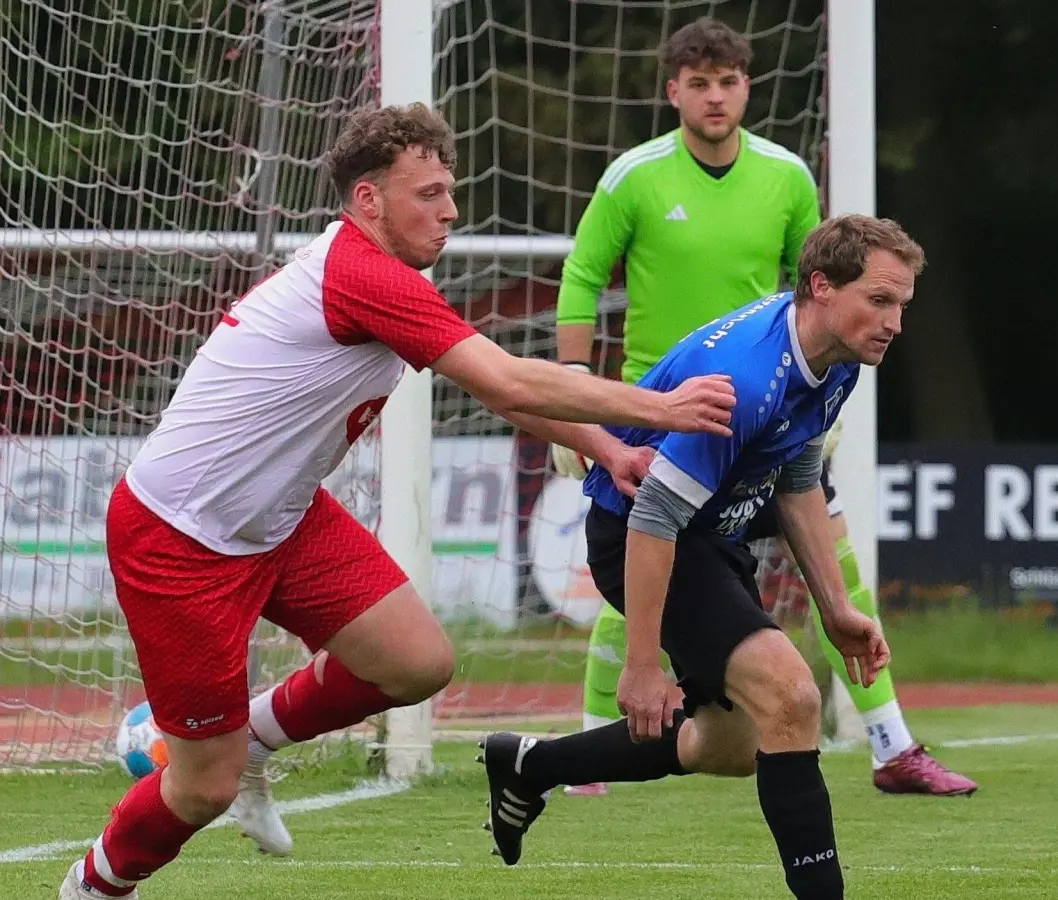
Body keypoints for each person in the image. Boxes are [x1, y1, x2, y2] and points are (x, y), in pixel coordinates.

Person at [59, 102, 740, 900]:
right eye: (430, 193)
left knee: (417, 662)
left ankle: (251, 741)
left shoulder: (388, 275)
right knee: (200, 789)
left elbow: (497, 393)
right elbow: (509, 378)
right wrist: (663, 409)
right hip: (181, 538)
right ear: (368, 202)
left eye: (450, 191)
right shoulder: (362, 272)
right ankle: (92, 887)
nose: (451, 210)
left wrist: (608, 447)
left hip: (281, 517)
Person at [551, 14, 975, 798]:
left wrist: (809, 399)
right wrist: (577, 396)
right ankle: (590, 749)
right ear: (674, 91)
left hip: (771, 413)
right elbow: (581, 281)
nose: (716, 98)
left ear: (749, 87)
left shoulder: (786, 177)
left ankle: (891, 744)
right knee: (645, 568)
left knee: (838, 574)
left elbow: (819, 280)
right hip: (666, 412)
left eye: (730, 81)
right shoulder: (633, 177)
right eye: (700, 83)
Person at [481, 215, 922, 900]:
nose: (894, 321)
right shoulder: (747, 376)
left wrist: (836, 608)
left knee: (730, 745)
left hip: (709, 540)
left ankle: (529, 765)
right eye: (881, 300)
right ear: (823, 286)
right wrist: (641, 665)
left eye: (902, 304)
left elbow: (799, 474)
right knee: (793, 696)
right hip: (646, 534)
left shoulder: (837, 358)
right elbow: (654, 515)